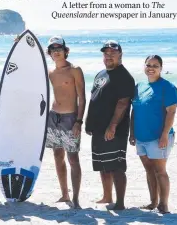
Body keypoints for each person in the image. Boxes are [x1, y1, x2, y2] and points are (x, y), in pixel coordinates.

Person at [85, 40, 135, 210]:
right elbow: (94, 98)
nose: (109, 56)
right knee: (103, 164)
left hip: (114, 130)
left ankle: (120, 203)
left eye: (113, 53)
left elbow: (123, 103)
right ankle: (107, 196)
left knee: (116, 166)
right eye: (106, 53)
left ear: (120, 54)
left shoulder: (124, 76)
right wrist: (88, 122)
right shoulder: (101, 74)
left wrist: (112, 126)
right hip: (99, 127)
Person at [129, 55, 177, 214]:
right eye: (148, 65)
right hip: (141, 136)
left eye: (155, 65)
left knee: (160, 171)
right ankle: (153, 202)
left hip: (158, 137)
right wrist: (132, 133)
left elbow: (171, 112)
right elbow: (134, 111)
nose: (151, 68)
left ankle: (163, 205)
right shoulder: (139, 86)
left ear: (161, 68)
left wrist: (164, 134)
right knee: (149, 170)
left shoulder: (168, 87)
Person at [43, 36, 86, 209]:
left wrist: (79, 121)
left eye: (59, 48)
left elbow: (82, 98)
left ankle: (75, 198)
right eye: (53, 49)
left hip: (70, 118)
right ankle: (64, 194)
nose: (56, 51)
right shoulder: (50, 72)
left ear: (65, 50)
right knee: (57, 156)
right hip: (53, 117)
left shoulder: (75, 70)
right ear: (50, 53)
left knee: (73, 158)